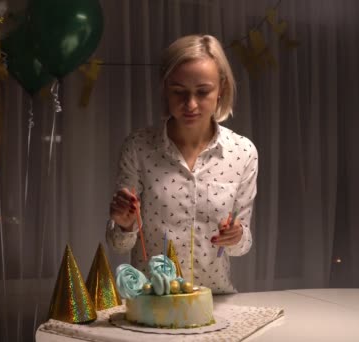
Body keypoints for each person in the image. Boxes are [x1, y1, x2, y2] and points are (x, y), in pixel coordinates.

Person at [106, 34, 258, 294]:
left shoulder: (243, 152)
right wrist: (124, 223)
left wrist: (236, 235)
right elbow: (119, 244)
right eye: (179, 92)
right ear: (165, 88)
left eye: (202, 91)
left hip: (215, 302)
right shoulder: (139, 147)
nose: (191, 104)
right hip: (152, 303)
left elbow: (241, 247)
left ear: (221, 88)